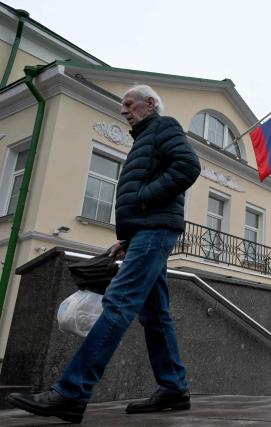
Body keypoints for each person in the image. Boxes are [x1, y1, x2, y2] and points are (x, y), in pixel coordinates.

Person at [7, 85, 201, 423]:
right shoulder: (143, 139)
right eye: (122, 105)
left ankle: (71, 392)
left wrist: (143, 198)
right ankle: (173, 387)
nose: (123, 110)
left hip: (155, 232)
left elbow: (188, 167)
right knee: (155, 315)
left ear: (149, 104)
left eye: (128, 104)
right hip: (145, 233)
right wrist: (127, 238)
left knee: (119, 302)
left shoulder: (164, 126)